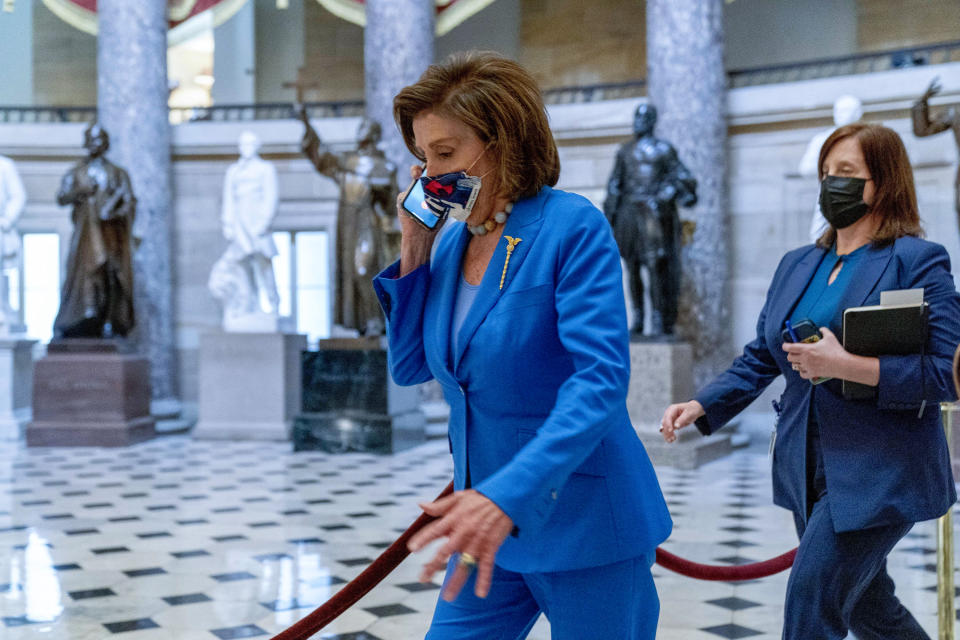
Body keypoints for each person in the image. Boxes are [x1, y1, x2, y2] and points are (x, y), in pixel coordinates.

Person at [373, 52, 671, 639]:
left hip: (583, 523)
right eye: (423, 157)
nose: (429, 173)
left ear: (501, 141)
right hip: (486, 528)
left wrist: (505, 496)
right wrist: (415, 245)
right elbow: (410, 368)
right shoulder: (454, 243)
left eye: (445, 154)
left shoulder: (571, 226)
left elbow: (600, 380)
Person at [661, 123, 960, 640]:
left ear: (884, 181)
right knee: (870, 607)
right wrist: (703, 404)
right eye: (826, 173)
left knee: (809, 608)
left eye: (846, 172)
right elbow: (763, 354)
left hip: (881, 468)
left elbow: (945, 374)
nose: (831, 184)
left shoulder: (917, 261)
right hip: (807, 463)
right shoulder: (798, 263)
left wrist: (847, 365)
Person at [603, 103, 697, 336]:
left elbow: (684, 179)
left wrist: (665, 195)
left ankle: (659, 319)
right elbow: (615, 184)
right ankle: (638, 318)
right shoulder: (624, 151)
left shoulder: (664, 150)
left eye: (644, 117)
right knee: (632, 267)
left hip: (653, 215)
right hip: (628, 213)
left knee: (656, 267)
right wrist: (609, 217)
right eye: (637, 116)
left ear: (652, 121)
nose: (639, 121)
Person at [301, 115, 398, 336]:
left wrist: (383, 190)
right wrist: (306, 123)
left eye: (365, 127)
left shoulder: (384, 166)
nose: (360, 131)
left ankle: (375, 319)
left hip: (367, 221)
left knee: (364, 268)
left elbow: (392, 206)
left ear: (373, 134)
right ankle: (362, 322)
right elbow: (321, 156)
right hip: (347, 223)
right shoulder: (346, 160)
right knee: (350, 273)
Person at [54, 123, 138, 339]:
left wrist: (115, 213)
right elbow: (62, 197)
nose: (94, 144)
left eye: (99, 139)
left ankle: (107, 320)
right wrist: (80, 191)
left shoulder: (118, 174)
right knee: (85, 276)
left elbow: (129, 201)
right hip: (86, 236)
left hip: (111, 235)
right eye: (90, 139)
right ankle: (84, 316)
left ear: (106, 143)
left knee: (111, 275)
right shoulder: (76, 173)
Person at [209, 131, 280, 328]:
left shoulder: (266, 169)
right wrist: (228, 223)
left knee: (264, 265)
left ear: (256, 146)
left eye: (249, 144)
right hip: (240, 223)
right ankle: (249, 305)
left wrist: (263, 223)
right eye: (242, 144)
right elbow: (228, 199)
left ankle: (274, 304)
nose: (245, 148)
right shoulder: (234, 171)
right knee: (241, 268)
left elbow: (271, 198)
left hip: (257, 222)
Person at [798, 95, 863, 242]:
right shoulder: (821, 140)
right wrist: (832, 169)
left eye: (847, 111)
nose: (841, 115)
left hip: (860, 195)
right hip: (829, 194)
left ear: (858, 113)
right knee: (818, 236)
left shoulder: (868, 139)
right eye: (838, 111)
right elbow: (805, 169)